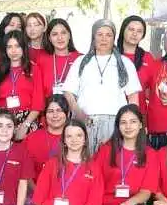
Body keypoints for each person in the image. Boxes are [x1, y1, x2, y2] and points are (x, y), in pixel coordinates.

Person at [60, 18, 141, 153]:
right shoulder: (81, 61)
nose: (104, 39)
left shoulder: (125, 63)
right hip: (85, 121)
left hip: (115, 123)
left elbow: (133, 97)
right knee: (85, 160)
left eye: (108, 35)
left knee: (111, 160)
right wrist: (78, 112)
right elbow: (68, 92)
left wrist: (131, 123)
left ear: (114, 38)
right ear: (93, 37)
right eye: (100, 34)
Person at [88, 104, 155, 205]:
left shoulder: (149, 154)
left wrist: (131, 202)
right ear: (118, 126)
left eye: (133, 121)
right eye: (123, 122)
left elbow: (146, 191)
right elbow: (94, 183)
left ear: (140, 125)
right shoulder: (106, 150)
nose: (128, 126)